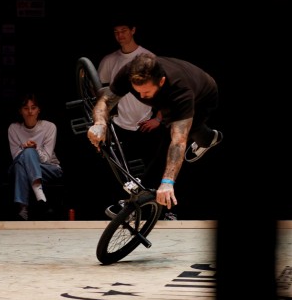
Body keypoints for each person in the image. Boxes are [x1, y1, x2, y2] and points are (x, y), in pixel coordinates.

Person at [87, 53, 222, 213]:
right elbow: (105, 100)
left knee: (171, 139)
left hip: (203, 97)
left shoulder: (180, 92)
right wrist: (100, 123)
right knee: (170, 127)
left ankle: (209, 139)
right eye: (137, 92)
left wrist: (168, 182)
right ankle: (208, 137)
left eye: (146, 92)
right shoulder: (129, 72)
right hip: (168, 96)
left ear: (161, 81)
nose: (142, 97)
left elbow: (178, 142)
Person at [95, 15, 176, 220]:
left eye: (123, 30)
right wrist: (104, 120)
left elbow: (165, 90)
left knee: (155, 168)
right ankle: (127, 211)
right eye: (116, 32)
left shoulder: (147, 57)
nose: (120, 35)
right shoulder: (109, 61)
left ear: (133, 30)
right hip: (121, 124)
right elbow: (103, 93)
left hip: (146, 123)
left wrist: (158, 118)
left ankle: (162, 211)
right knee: (123, 171)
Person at [7, 93, 63, 220]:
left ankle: (22, 209)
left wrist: (35, 148)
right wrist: (27, 150)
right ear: (20, 111)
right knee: (22, 160)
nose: (30, 112)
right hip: (20, 168)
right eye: (26, 108)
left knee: (27, 154)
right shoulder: (13, 128)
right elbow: (16, 157)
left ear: (39, 110)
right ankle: (39, 193)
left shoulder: (49, 127)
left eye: (33, 108)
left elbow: (47, 159)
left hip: (49, 168)